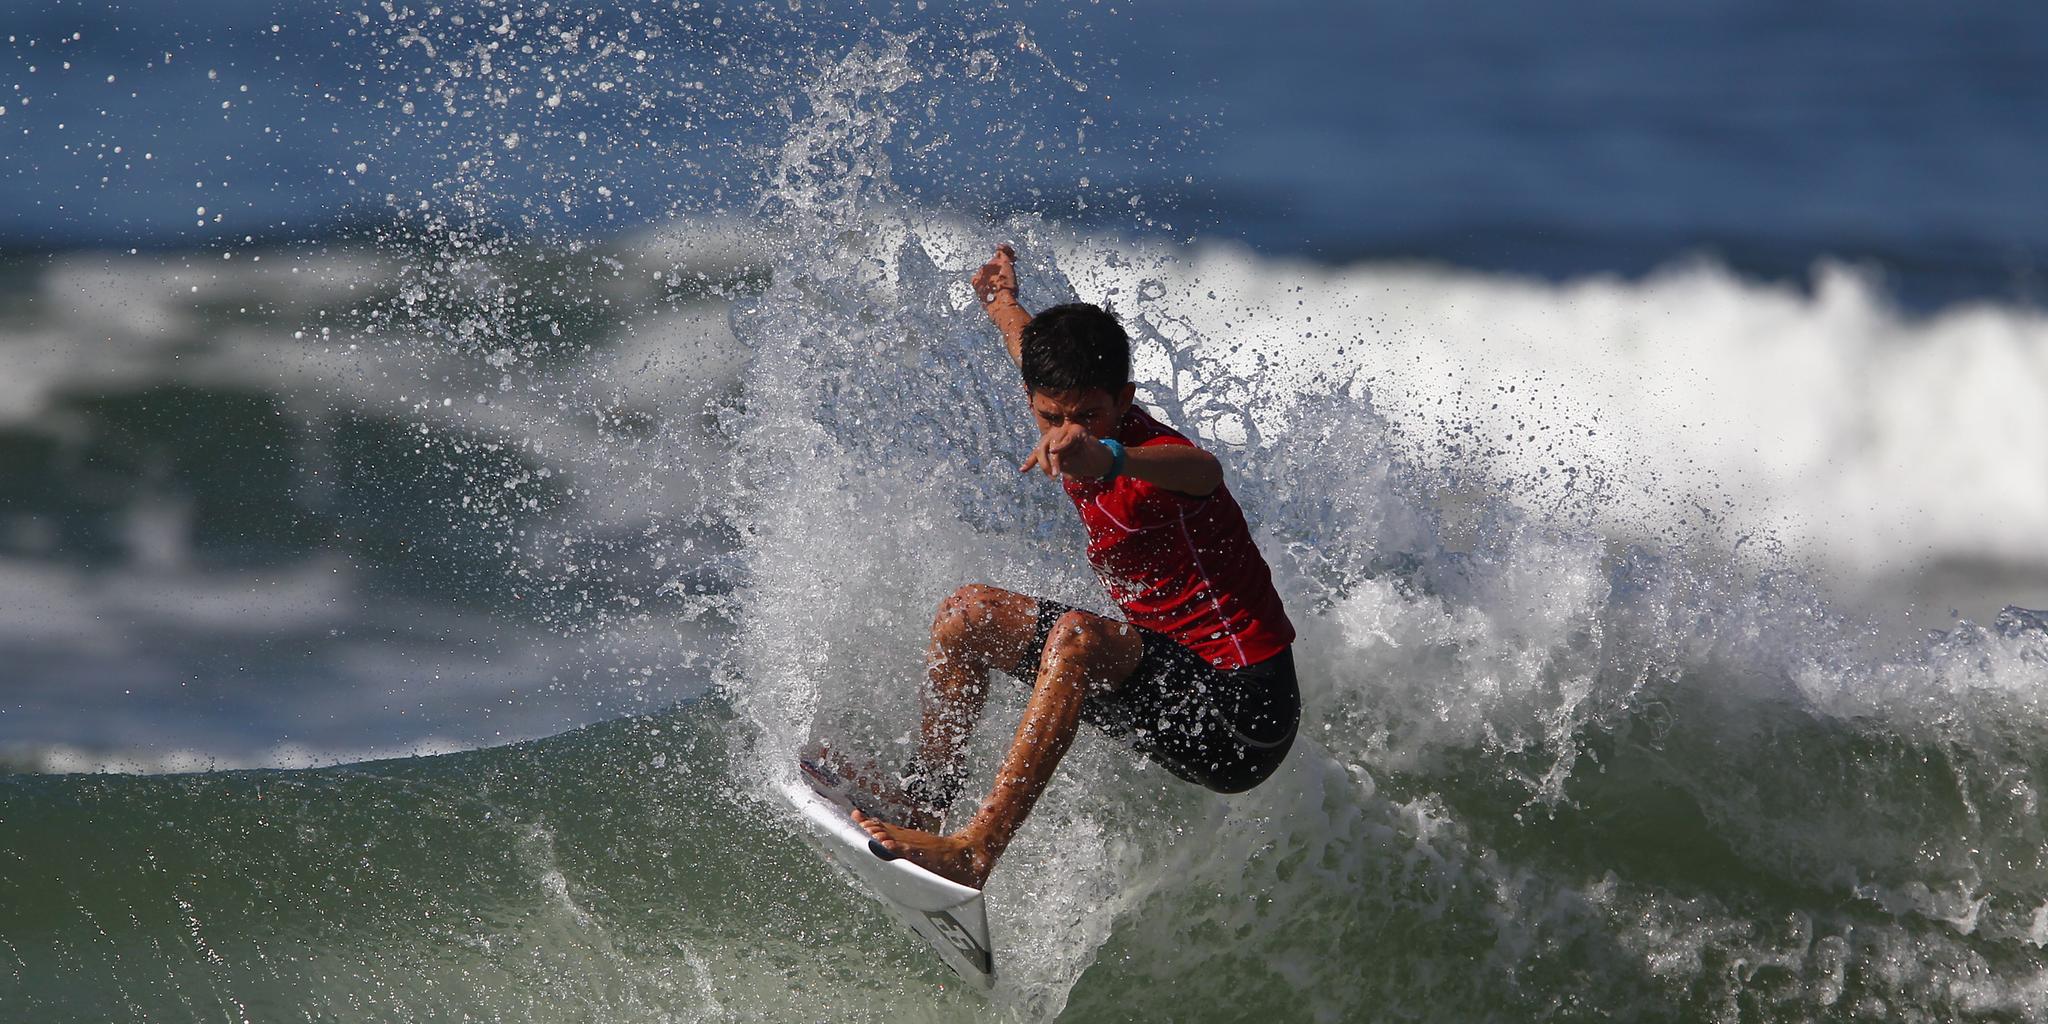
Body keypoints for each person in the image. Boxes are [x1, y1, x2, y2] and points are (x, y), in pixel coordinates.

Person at [850, 244, 1300, 888]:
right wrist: (1000, 298)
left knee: (1077, 637)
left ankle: (976, 851)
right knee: (964, 616)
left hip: (1243, 716)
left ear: (1124, 400)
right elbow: (1024, 345)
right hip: (1159, 683)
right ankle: (926, 797)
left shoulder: (1153, 457)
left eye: (1088, 416)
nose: (1067, 433)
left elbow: (1206, 471)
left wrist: (1111, 456)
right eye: (1051, 417)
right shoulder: (1060, 401)